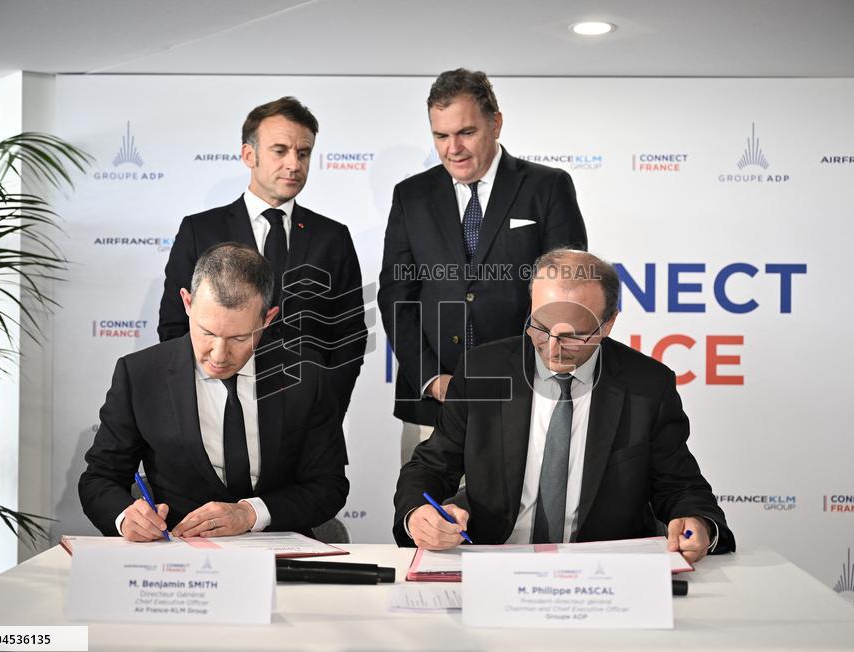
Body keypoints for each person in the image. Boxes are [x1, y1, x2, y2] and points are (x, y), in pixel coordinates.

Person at [393, 249, 735, 563]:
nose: (553, 347)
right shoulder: (483, 370)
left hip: (603, 572)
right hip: (494, 561)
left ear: (609, 323)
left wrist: (699, 524)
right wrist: (418, 514)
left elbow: (681, 486)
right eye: (540, 328)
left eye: (574, 336)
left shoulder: (647, 385)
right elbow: (431, 466)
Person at [378, 68, 588, 464]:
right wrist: (430, 378)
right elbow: (397, 294)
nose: (452, 148)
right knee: (425, 519)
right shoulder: (411, 196)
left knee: (514, 524)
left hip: (524, 397)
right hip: (432, 404)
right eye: (441, 136)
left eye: (466, 132)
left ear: (496, 124)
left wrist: (523, 374)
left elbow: (567, 294)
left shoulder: (547, 186)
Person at [80, 243, 348, 541]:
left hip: (279, 558)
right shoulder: (141, 375)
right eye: (207, 332)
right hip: (178, 561)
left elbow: (329, 486)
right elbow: (100, 478)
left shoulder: (306, 377)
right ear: (187, 303)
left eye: (239, 338)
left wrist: (250, 514)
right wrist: (125, 517)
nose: (219, 356)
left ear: (267, 319)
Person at [158, 97, 367, 419]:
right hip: (215, 413)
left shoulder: (332, 237)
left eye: (303, 152)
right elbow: (174, 326)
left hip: (308, 419)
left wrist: (326, 404)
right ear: (249, 155)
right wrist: (201, 403)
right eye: (280, 150)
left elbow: (349, 334)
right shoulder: (200, 230)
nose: (294, 164)